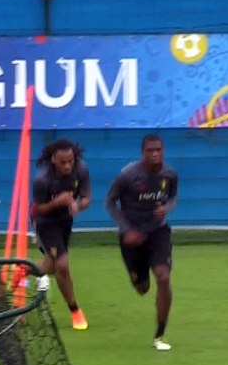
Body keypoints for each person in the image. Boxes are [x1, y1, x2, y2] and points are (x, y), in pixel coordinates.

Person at [105, 134, 178, 351]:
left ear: (163, 151)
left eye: (158, 150)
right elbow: (110, 202)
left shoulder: (170, 174)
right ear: (142, 152)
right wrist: (126, 229)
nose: (155, 154)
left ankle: (160, 333)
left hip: (157, 231)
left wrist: (166, 208)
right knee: (142, 288)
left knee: (163, 277)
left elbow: (173, 197)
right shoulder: (129, 175)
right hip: (132, 237)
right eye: (150, 150)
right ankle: (138, 277)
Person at [31, 138, 92, 330]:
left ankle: (23, 269)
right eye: (63, 162)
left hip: (65, 222)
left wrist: (78, 205)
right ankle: (75, 311)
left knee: (51, 265)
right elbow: (35, 210)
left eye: (70, 161)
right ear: (53, 160)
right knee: (62, 266)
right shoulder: (43, 180)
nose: (67, 166)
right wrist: (56, 203)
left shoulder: (81, 170)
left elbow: (86, 198)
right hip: (45, 223)